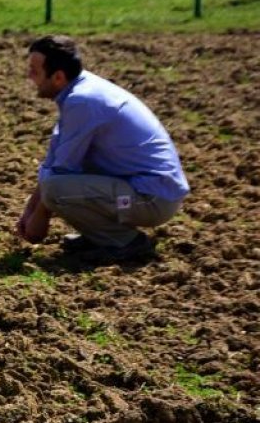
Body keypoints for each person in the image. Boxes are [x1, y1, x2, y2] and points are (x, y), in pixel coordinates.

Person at [14, 35, 190, 261]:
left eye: (34, 71)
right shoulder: (81, 90)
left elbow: (59, 177)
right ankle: (101, 235)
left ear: (58, 76)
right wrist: (30, 211)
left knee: (58, 190)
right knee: (57, 186)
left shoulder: (82, 102)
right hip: (140, 190)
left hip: (151, 199)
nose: (29, 76)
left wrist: (40, 217)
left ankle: (125, 241)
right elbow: (55, 162)